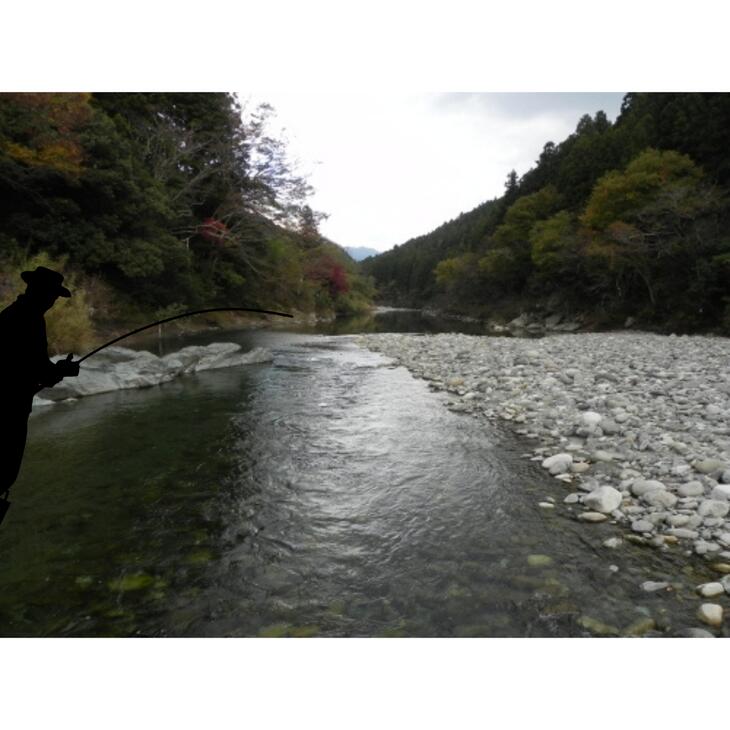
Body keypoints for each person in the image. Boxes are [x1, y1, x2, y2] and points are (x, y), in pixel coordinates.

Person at [0, 266, 81, 503]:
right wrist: (61, 370)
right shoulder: (30, 318)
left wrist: (55, 372)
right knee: (4, 470)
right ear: (40, 291)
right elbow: (39, 369)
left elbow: (36, 368)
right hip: (9, 406)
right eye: (52, 295)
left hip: (11, 401)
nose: (53, 301)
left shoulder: (13, 313)